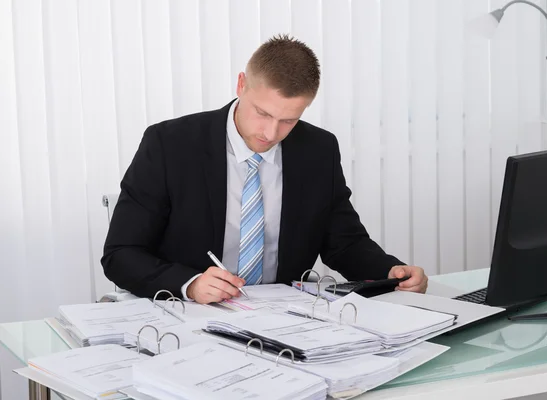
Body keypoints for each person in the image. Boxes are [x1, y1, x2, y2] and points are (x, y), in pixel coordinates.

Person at [102, 34, 428, 304]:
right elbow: (121, 253)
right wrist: (189, 283)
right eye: (262, 113)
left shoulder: (318, 149)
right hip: (189, 313)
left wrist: (391, 271)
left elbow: (344, 243)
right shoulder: (169, 144)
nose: (270, 133)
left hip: (283, 318)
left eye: (289, 120)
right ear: (241, 84)